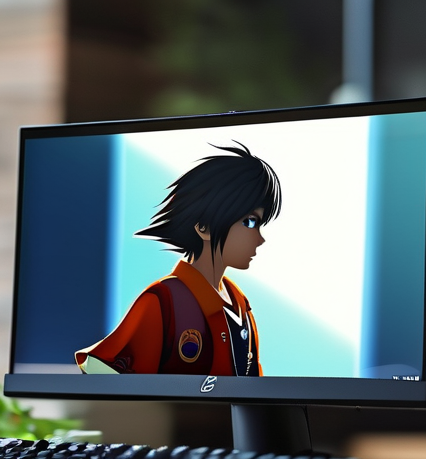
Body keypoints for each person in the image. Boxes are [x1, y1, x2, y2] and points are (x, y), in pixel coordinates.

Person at [75, 141, 282, 376]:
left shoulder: (239, 302)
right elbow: (100, 368)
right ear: (204, 227)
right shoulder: (163, 301)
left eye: (259, 223)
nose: (259, 238)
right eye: (249, 222)